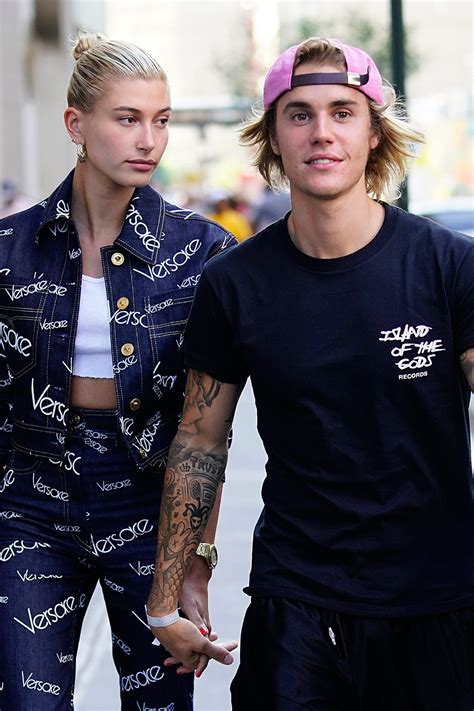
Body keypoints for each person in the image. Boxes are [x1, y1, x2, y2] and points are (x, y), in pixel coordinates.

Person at [146, 36, 474, 710]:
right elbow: (200, 440)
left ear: (374, 133)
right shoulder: (234, 284)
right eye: (299, 114)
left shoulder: (448, 266)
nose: (321, 132)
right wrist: (168, 593)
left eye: (342, 112)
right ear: (274, 136)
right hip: (296, 596)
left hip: (436, 596)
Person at [0, 32, 236, 710]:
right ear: (76, 124)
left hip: (151, 504)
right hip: (30, 502)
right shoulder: (10, 251)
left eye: (161, 120)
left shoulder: (205, 253)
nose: (148, 140)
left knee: (159, 703)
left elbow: (207, 429)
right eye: (127, 118)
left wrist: (196, 559)